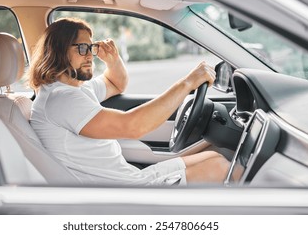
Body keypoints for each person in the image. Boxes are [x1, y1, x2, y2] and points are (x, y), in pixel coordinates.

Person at [29, 17, 233, 186]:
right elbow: (133, 126)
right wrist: (188, 83)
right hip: (119, 194)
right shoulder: (61, 100)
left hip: (129, 178)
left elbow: (116, 83)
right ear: (58, 50)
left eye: (90, 48)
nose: (89, 55)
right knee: (220, 168)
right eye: (82, 48)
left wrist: (113, 60)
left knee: (215, 156)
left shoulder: (76, 88)